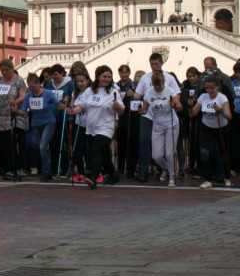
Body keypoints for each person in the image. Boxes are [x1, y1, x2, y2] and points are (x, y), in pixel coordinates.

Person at [70, 65, 123, 189]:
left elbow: (121, 111)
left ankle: (93, 177)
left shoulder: (113, 92)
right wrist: (72, 111)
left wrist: (118, 106)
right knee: (103, 154)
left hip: (106, 127)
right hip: (91, 127)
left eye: (109, 77)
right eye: (104, 76)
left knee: (96, 150)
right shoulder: (89, 91)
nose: (107, 79)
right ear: (98, 77)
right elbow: (81, 106)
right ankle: (112, 174)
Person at [133, 53, 180, 182]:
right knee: (151, 149)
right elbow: (140, 98)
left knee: (169, 152)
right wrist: (138, 107)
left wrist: (175, 104)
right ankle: (151, 170)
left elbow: (178, 99)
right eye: (152, 64)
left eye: (156, 64)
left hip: (168, 119)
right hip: (152, 118)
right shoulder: (145, 80)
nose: (154, 66)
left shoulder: (169, 80)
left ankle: (170, 174)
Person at [140, 71, 180, 187]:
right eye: (155, 85)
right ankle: (167, 168)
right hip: (157, 125)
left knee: (169, 153)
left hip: (171, 124)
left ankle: (172, 177)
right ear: (152, 83)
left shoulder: (170, 91)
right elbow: (144, 110)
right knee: (156, 155)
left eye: (160, 85)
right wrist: (139, 111)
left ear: (163, 83)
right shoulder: (149, 93)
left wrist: (174, 105)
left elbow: (180, 107)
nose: (157, 88)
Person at [192, 75, 232, 188]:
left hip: (221, 128)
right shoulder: (203, 97)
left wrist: (220, 111)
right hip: (206, 128)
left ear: (217, 87)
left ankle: (227, 177)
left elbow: (229, 116)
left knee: (224, 153)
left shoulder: (222, 98)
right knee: (204, 152)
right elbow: (194, 113)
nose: (210, 91)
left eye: (212, 88)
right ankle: (207, 178)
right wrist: (192, 105)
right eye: (207, 88)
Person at [0, 59, 27, 179]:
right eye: (2, 70)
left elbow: (23, 96)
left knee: (12, 143)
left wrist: (15, 101)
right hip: (0, 117)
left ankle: (17, 168)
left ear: (12, 69)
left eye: (6, 70)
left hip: (15, 116)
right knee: (2, 144)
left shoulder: (18, 81)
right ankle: (6, 168)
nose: (4, 73)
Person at [25, 73, 58, 182]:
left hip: (49, 121)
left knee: (43, 146)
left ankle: (46, 171)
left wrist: (66, 106)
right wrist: (16, 110)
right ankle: (47, 169)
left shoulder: (47, 93)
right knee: (40, 147)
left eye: (34, 87)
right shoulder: (29, 95)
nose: (32, 89)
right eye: (30, 87)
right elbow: (24, 110)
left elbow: (58, 104)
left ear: (39, 84)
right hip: (36, 123)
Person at [45, 64, 74, 178]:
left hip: (64, 117)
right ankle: (54, 167)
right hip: (52, 118)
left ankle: (66, 168)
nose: (55, 77)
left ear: (62, 73)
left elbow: (72, 96)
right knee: (53, 144)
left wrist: (67, 102)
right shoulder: (49, 84)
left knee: (65, 143)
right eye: (53, 74)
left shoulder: (69, 83)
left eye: (57, 74)